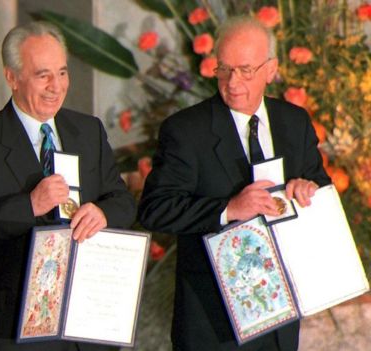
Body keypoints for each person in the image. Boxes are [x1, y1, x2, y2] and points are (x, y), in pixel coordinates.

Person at [138, 16, 331, 351]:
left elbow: (320, 186)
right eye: (224, 69)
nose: (232, 82)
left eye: (245, 70)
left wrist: (308, 189)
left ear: (271, 69)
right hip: (211, 326)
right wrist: (228, 209)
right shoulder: (185, 131)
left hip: (280, 322)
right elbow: (155, 210)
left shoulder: (294, 123)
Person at [0, 21, 136, 351]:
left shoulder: (88, 131)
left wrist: (103, 213)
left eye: (62, 73)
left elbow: (122, 201)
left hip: (90, 321)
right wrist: (28, 206)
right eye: (42, 75)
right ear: (12, 77)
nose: (56, 86)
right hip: (18, 329)